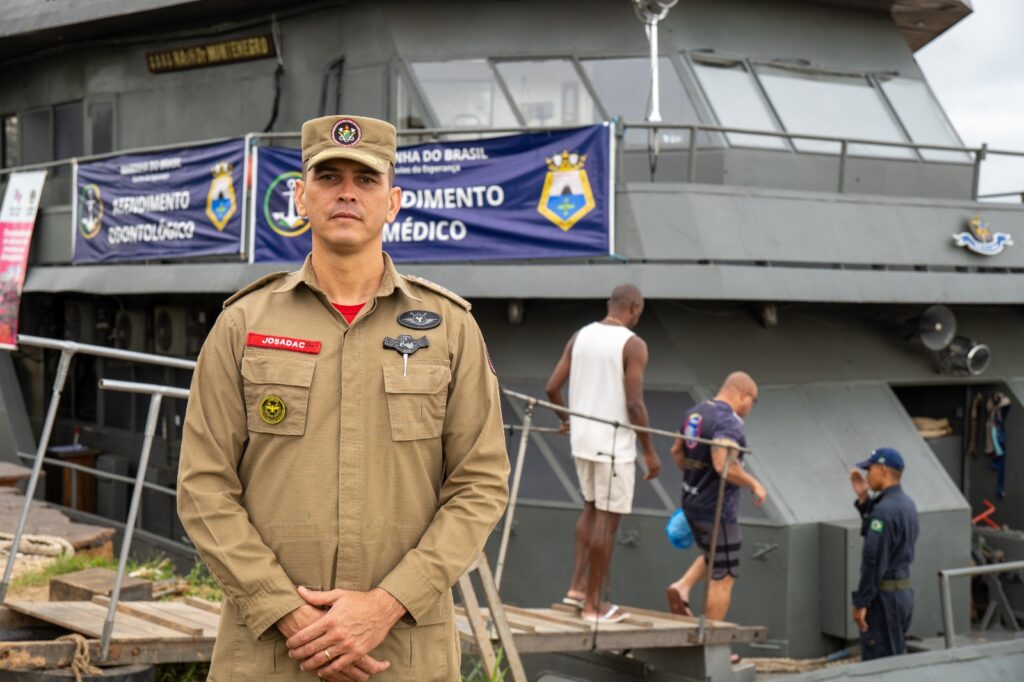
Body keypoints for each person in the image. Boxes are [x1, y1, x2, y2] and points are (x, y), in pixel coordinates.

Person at [177, 114, 510, 682]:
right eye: (329, 177)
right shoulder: (243, 324)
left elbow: (480, 484)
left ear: (393, 202)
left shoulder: (451, 329)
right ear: (300, 197)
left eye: (366, 179)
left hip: (403, 654)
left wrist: (387, 604)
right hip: (270, 655)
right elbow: (203, 485)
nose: (347, 193)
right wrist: (286, 612)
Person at [545, 284, 661, 623]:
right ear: (635, 307)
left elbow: (552, 388)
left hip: (582, 441)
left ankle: (577, 588)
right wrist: (650, 452)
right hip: (613, 447)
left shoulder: (580, 336)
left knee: (591, 509)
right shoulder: (633, 344)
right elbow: (634, 404)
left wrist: (566, 420)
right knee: (607, 523)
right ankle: (594, 606)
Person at [666, 372, 765, 629]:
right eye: (752, 402)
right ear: (744, 395)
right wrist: (754, 483)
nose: (750, 408)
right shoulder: (729, 422)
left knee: (715, 555)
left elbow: (677, 451)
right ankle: (711, 640)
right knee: (724, 575)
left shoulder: (695, 413)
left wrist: (697, 476)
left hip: (691, 502)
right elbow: (723, 466)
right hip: (717, 511)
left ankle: (682, 586)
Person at [849, 447, 919, 660]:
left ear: (882, 470)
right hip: (902, 594)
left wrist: (861, 603)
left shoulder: (883, 511)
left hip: (884, 601)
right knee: (894, 657)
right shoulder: (907, 505)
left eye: (870, 470)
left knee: (879, 663)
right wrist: (864, 500)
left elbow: (873, 562)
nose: (867, 476)